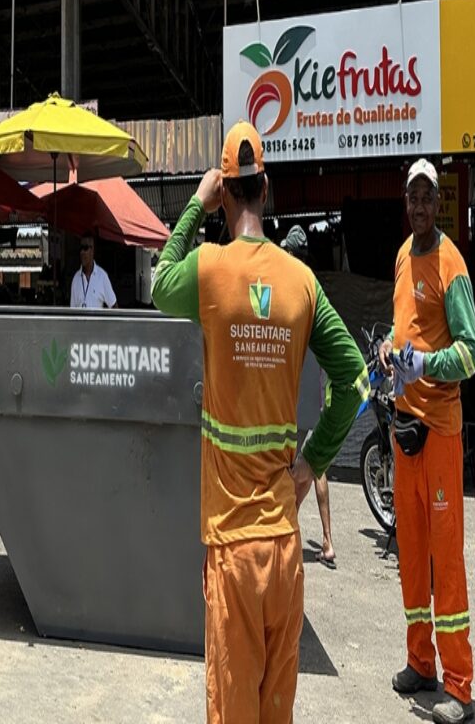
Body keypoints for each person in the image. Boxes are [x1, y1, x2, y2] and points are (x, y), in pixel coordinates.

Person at [152, 121, 367, 724]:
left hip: (232, 550)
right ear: (266, 189)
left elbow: (158, 281)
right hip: (285, 550)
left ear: (228, 193)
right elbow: (355, 381)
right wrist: (311, 464)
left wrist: (196, 204)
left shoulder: (211, 270)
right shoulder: (302, 282)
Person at [379, 158, 475, 724]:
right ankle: (421, 660)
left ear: (436, 202)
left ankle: (461, 687)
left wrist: (427, 363)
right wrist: (394, 354)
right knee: (411, 553)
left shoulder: (451, 264)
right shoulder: (400, 256)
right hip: (403, 427)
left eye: (426, 198)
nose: (418, 206)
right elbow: (401, 328)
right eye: (411, 197)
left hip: (439, 430)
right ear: (405, 201)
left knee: (447, 557)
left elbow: (472, 351)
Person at [281, 224, 337, 568]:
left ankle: (287, 536)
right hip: (313, 391)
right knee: (315, 467)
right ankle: (327, 541)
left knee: (292, 473)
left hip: (296, 395)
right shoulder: (314, 289)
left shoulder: (294, 287)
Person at [70, 232, 117, 309]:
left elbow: (114, 306)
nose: (82, 252)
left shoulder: (102, 277)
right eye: (80, 248)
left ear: (92, 250)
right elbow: (72, 312)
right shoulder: (76, 279)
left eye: (85, 248)